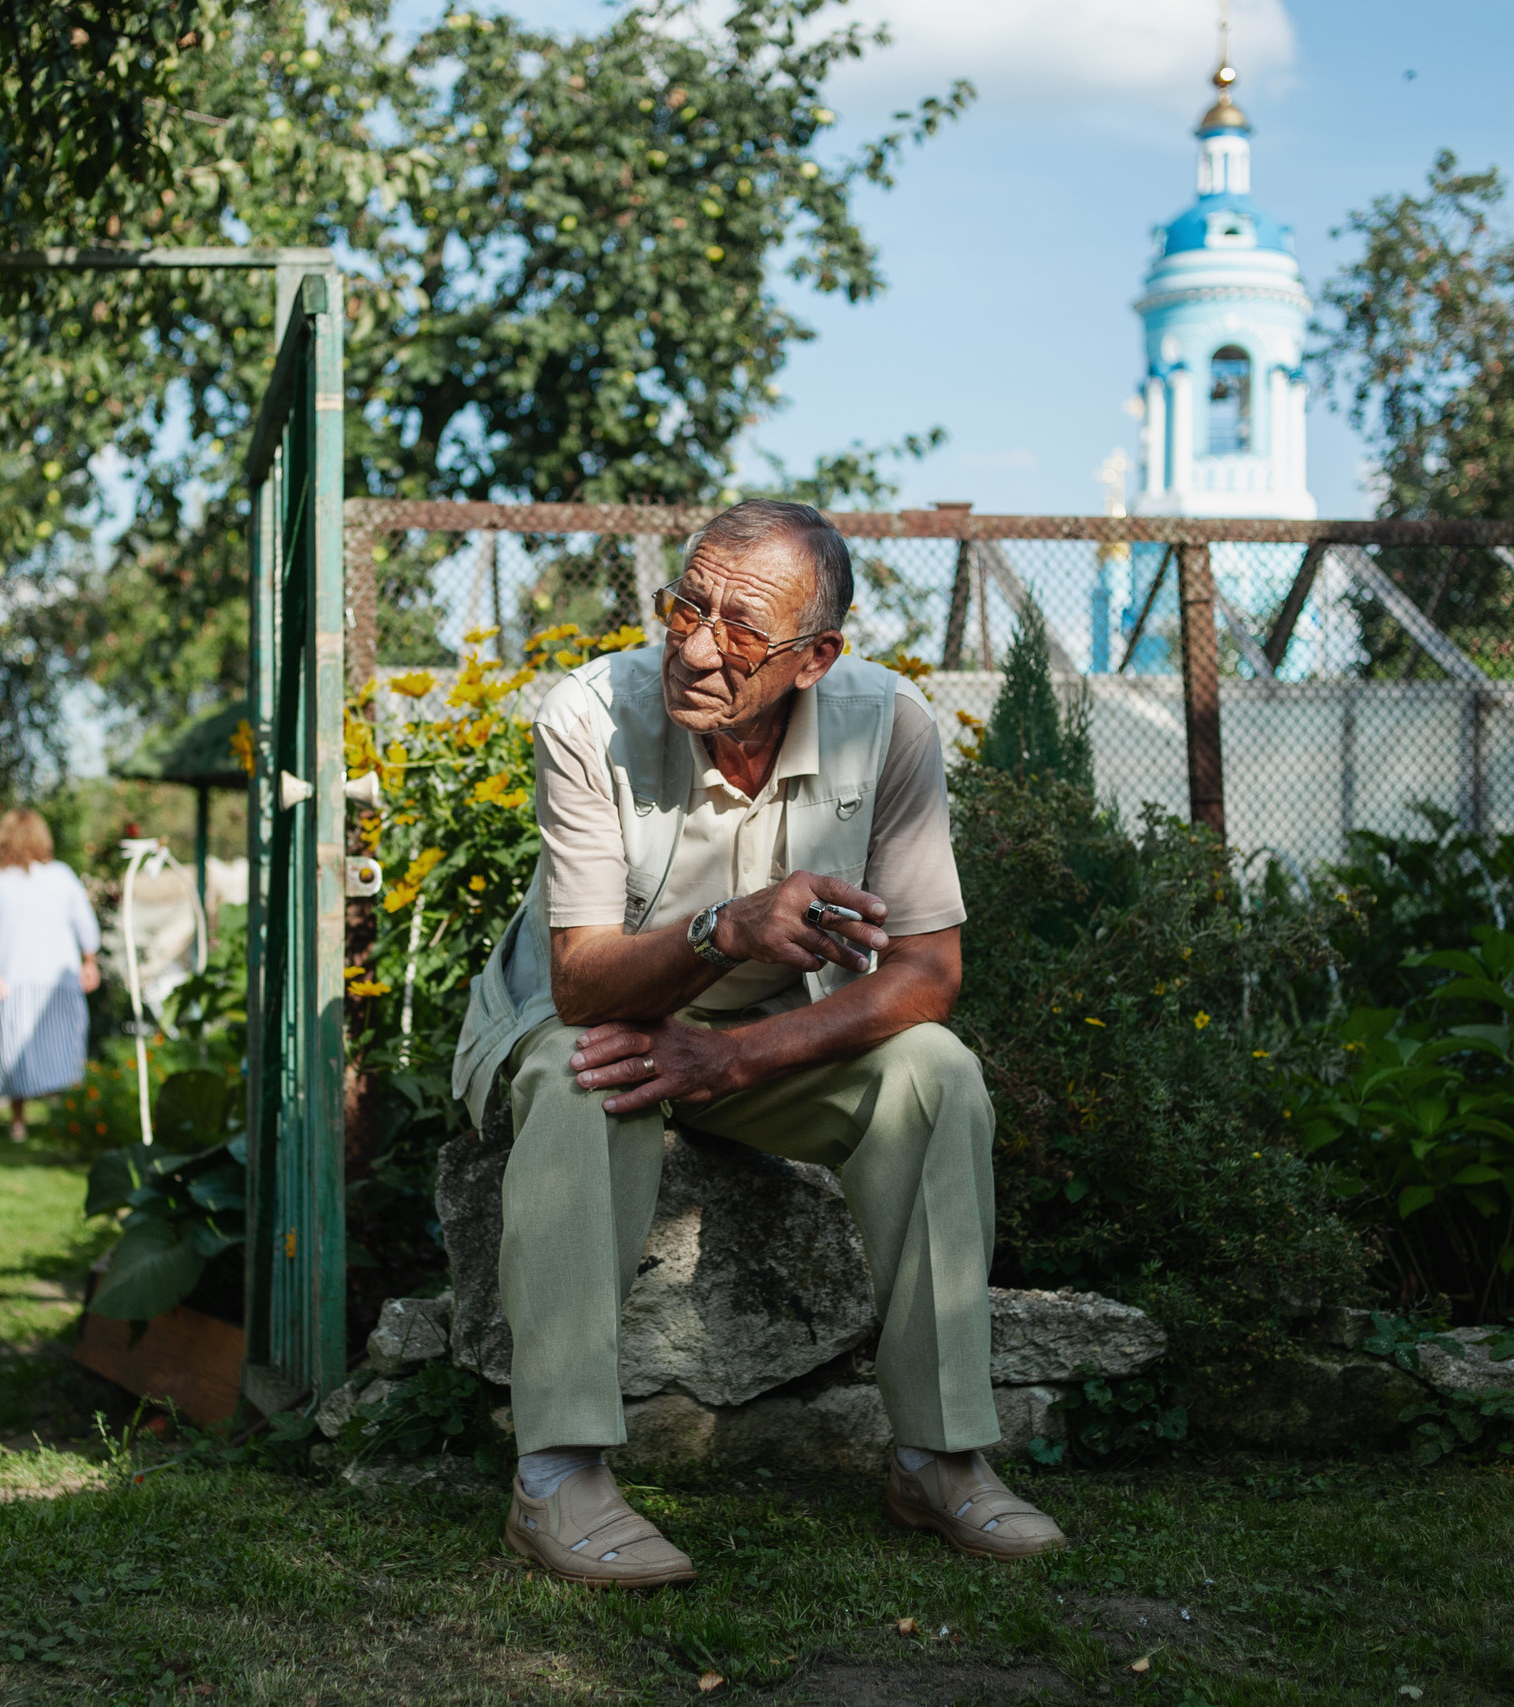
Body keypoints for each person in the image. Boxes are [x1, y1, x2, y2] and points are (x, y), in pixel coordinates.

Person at [453, 499, 1067, 1587]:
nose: (693, 645)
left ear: (816, 656)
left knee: (936, 1076)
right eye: (683, 605)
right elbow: (582, 976)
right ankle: (557, 1479)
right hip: (595, 1017)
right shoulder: (588, 714)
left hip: (760, 1036)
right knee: (581, 1079)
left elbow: (930, 975)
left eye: (739, 630)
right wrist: (724, 924)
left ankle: (939, 1456)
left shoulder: (891, 727)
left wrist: (734, 1056)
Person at [0, 808, 102, 1140]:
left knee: (15, 1056)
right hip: (59, 980)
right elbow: (86, 926)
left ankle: (18, 1122)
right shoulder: (63, 876)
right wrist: (89, 960)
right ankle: (67, 1118)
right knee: (64, 1051)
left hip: (12, 982)